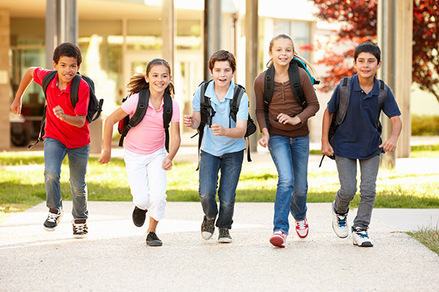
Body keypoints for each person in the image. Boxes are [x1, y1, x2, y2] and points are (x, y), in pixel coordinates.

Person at [321, 42, 402, 247]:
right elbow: (328, 113)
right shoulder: (345, 86)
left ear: (378, 64)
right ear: (355, 63)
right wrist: (324, 142)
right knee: (348, 189)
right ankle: (339, 210)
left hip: (371, 147)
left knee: (369, 190)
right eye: (361, 61)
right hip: (344, 145)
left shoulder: (383, 90)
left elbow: (396, 119)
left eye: (371, 61)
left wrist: (392, 139)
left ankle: (360, 229)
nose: (366, 65)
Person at [10, 42, 91, 238]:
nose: (68, 70)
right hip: (54, 136)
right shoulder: (47, 78)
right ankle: (55, 210)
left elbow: (81, 121)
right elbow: (30, 71)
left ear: (78, 66)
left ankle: (80, 220)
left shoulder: (82, 87)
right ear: (55, 65)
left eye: (72, 66)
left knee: (77, 184)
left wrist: (64, 116)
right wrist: (18, 97)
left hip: (79, 141)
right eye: (63, 65)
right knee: (51, 173)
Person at [98, 58, 181, 247]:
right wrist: (107, 150)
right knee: (142, 198)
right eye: (155, 75)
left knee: (159, 196)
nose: (159, 80)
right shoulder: (136, 100)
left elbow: (176, 137)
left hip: (158, 154)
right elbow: (109, 120)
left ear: (169, 78)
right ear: (147, 77)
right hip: (134, 154)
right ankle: (140, 207)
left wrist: (169, 157)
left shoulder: (172, 105)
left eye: (164, 76)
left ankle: (152, 232)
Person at [254, 34, 320, 248]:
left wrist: (296, 119)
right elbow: (260, 110)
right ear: (270, 53)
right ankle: (280, 229)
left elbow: (314, 105)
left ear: (293, 53)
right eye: (279, 50)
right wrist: (265, 132)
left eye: (288, 50)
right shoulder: (262, 80)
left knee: (300, 187)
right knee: (286, 180)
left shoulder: (300, 76)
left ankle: (300, 216)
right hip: (277, 136)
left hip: (300, 136)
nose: (283, 54)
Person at [183, 50, 248, 244]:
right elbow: (197, 121)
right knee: (205, 192)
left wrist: (225, 131)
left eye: (226, 70)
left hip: (233, 151)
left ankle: (225, 227)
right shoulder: (202, 92)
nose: (222, 75)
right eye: (218, 70)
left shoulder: (240, 95)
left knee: (227, 196)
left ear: (233, 72)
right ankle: (209, 217)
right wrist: (191, 122)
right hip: (209, 149)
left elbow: (242, 130)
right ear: (211, 71)